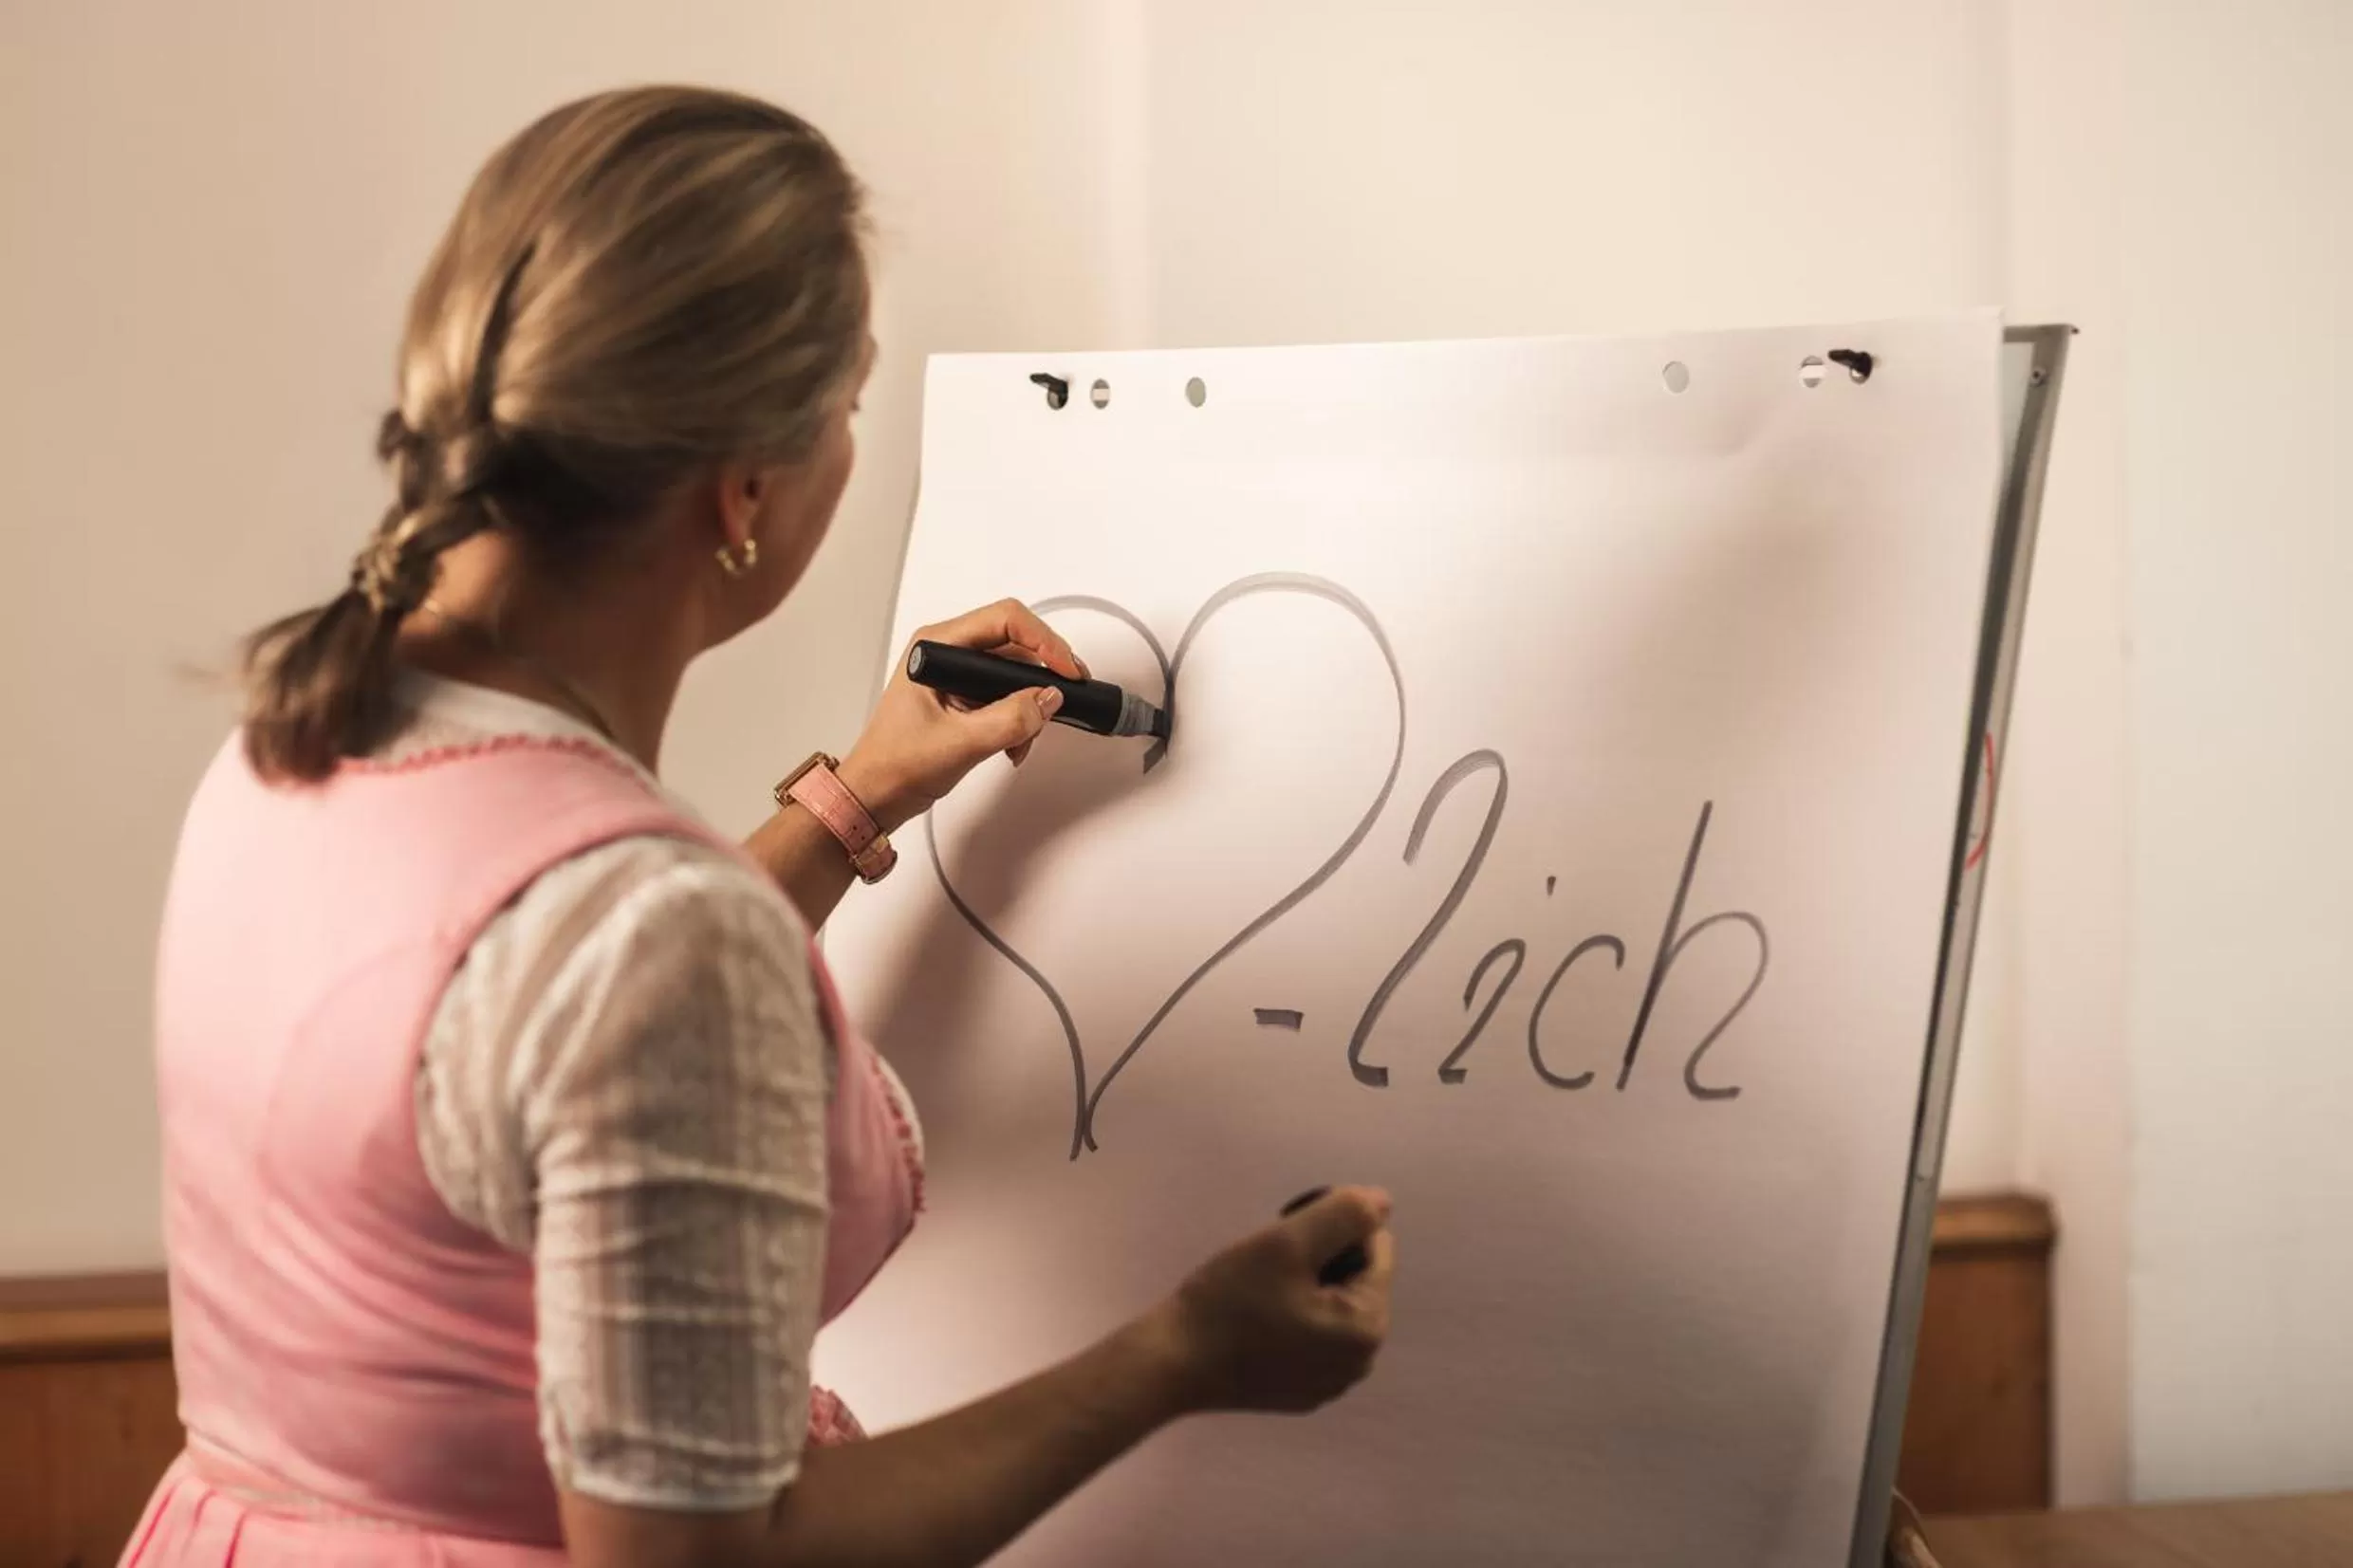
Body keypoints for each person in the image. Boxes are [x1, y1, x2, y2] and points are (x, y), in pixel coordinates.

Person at [125, 85, 1396, 1568]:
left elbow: (533, 1037)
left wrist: (848, 803)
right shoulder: (653, 939)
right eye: (851, 402)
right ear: (744, 488)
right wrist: (1182, 1354)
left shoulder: (294, 745)